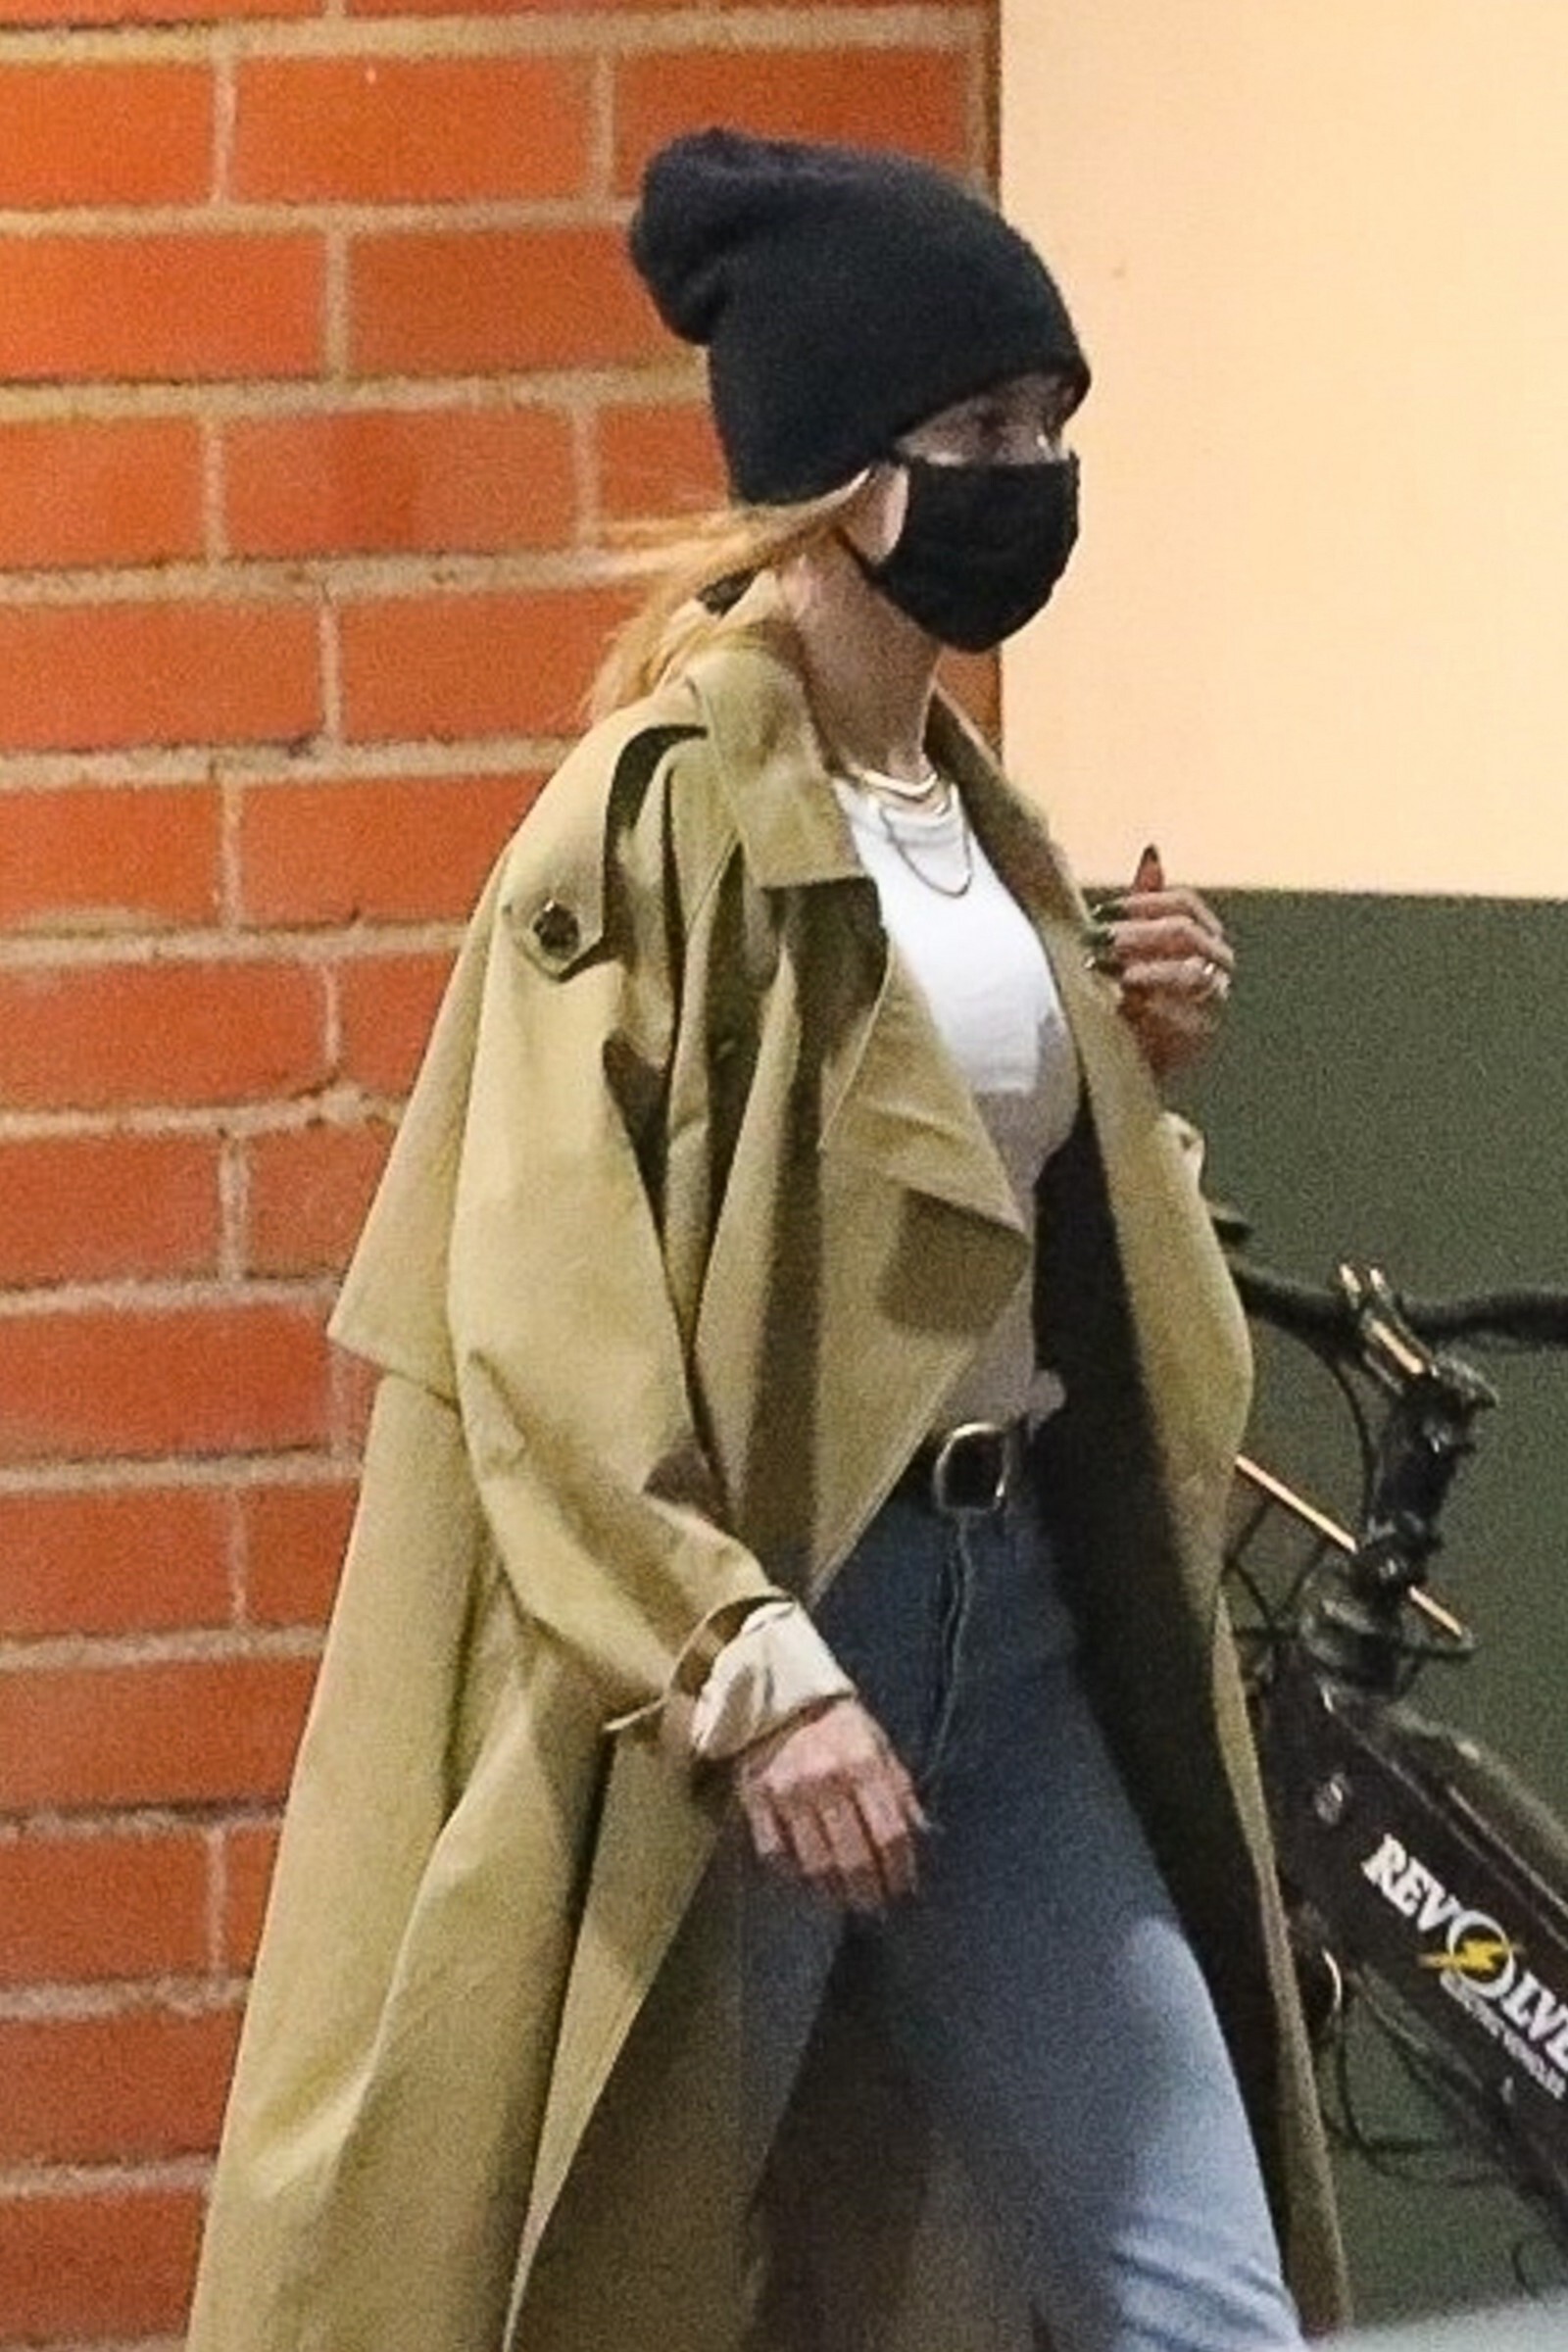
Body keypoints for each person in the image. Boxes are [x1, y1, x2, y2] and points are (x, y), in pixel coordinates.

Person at [187, 130, 1348, 2352]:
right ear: (842, 470)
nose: (1037, 478)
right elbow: (543, 1298)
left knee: (1207, 2297)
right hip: (766, 1657)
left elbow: (959, 1219)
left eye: (1053, 426)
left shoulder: (977, 816)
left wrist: (1122, 1060)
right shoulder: (654, 817)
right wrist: (740, 1662)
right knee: (600, 2273)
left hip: (1010, 1638)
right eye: (984, 430)